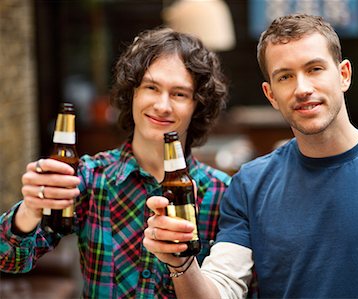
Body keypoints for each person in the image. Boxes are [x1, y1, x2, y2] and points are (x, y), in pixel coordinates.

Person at [144, 14, 358, 298]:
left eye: (314, 69)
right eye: (285, 77)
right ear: (271, 94)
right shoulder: (250, 185)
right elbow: (222, 290)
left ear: (343, 74)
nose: (302, 88)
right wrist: (181, 263)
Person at [0, 27, 231, 298]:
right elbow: (9, 260)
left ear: (198, 106)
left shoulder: (222, 193)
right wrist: (30, 209)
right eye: (151, 87)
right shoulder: (89, 177)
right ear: (132, 93)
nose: (162, 105)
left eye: (179, 94)